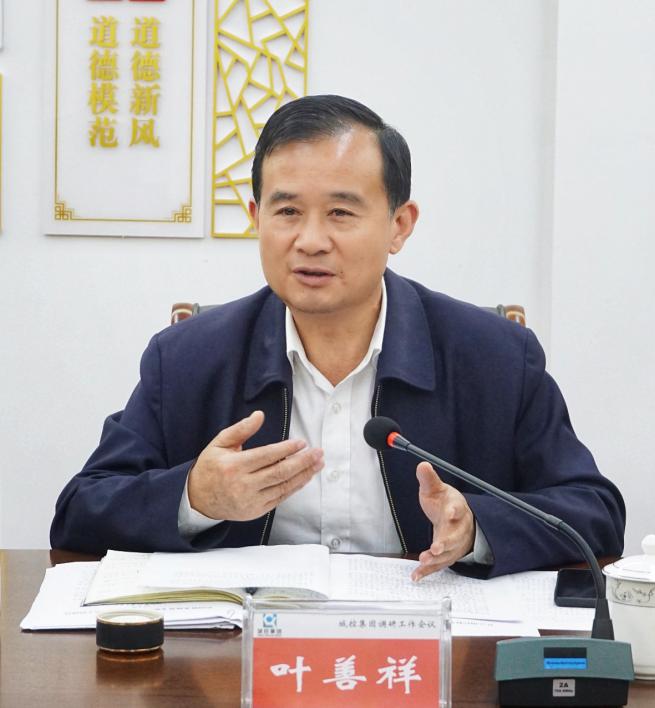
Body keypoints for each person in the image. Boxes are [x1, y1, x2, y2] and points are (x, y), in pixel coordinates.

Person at [50, 95, 625, 580]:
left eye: (341, 214)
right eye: (287, 212)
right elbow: (80, 510)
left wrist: (476, 526)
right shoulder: (186, 358)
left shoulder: (494, 357)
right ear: (256, 217)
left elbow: (593, 510)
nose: (310, 240)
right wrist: (196, 499)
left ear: (399, 225)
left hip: (429, 648)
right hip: (243, 652)